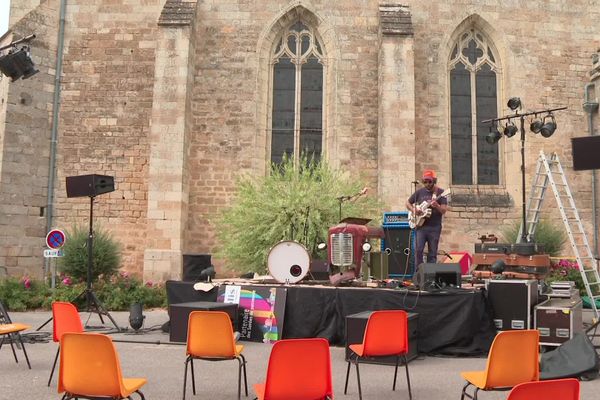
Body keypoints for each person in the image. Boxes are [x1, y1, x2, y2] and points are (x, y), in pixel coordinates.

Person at [405, 169, 448, 266]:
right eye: (425, 182)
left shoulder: (441, 193)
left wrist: (436, 205)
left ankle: (431, 276)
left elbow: (444, 210)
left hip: (434, 227)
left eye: (429, 182)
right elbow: (407, 203)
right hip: (421, 227)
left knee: (432, 253)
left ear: (434, 181)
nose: (427, 184)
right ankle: (419, 273)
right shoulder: (419, 192)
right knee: (418, 250)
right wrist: (414, 210)